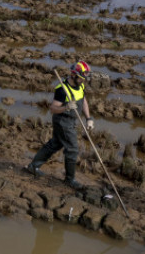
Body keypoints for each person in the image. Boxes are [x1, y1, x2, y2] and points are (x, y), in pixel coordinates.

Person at [25, 61, 94, 190]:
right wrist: (66, 107)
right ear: (74, 75)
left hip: (71, 120)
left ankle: (33, 166)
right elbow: (53, 108)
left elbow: (84, 101)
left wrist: (88, 118)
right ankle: (70, 179)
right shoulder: (62, 90)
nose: (83, 81)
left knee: (55, 143)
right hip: (63, 121)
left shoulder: (81, 86)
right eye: (81, 78)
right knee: (72, 149)